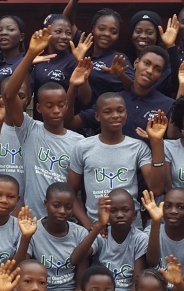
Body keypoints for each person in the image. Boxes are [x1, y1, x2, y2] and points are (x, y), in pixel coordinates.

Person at [1, 28, 84, 216]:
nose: (56, 110)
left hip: (63, 222)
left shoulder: (79, 142)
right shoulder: (29, 129)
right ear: (38, 108)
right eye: (49, 105)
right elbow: (8, 94)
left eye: (61, 105)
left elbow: (74, 192)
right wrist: (29, 56)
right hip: (30, 220)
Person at [67, 92, 166, 227]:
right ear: (97, 116)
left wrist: (157, 142)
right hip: (97, 229)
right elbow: (71, 192)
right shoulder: (82, 147)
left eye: (120, 111)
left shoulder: (138, 147)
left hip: (131, 229)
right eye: (108, 112)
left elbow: (157, 189)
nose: (115, 115)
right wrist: (88, 224)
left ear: (126, 113)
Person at [68, 44, 175, 141]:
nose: (150, 71)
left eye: (157, 69)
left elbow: (174, 142)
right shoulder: (113, 100)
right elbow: (70, 124)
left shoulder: (168, 105)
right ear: (136, 63)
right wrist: (73, 86)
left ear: (161, 75)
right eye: (146, 63)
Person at [70, 191, 148, 291]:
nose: (120, 215)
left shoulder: (140, 239)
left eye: (125, 210)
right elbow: (75, 259)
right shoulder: (102, 235)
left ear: (134, 214)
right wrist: (99, 225)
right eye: (113, 211)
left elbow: (137, 282)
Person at [28, 183, 89, 291]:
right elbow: (22, 268)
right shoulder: (33, 230)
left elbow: (80, 285)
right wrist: (25, 238)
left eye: (68, 207)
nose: (62, 211)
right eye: (56, 206)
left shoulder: (80, 234)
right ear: (46, 204)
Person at [0, 84, 27, 200]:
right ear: (1, 99)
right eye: (10, 97)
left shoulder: (34, 129)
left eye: (21, 97)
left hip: (25, 204)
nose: (15, 101)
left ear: (28, 100)